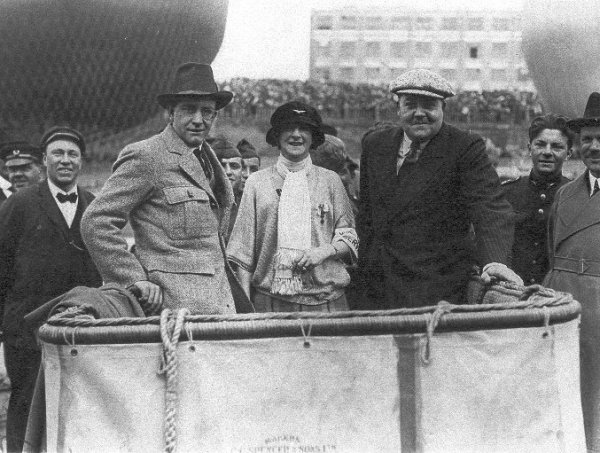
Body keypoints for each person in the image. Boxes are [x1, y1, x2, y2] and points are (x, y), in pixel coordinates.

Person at [81, 63, 252, 315]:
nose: (198, 120)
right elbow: (96, 221)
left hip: (219, 303)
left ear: (215, 116)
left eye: (207, 112)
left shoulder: (207, 157)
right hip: (173, 310)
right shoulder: (147, 156)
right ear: (170, 113)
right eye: (188, 110)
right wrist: (133, 278)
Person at [357, 69, 521, 310]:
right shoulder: (375, 144)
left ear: (443, 108)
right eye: (410, 104)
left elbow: (490, 208)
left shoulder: (464, 148)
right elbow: (367, 214)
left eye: (429, 105)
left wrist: (495, 262)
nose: (419, 113)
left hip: (434, 288)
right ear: (398, 109)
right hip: (376, 285)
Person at [0, 126, 101, 452]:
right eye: (58, 153)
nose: (65, 160)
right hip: (26, 330)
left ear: (81, 162)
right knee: (26, 407)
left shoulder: (94, 206)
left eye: (72, 154)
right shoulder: (20, 204)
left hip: (78, 328)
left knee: (77, 407)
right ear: (45, 160)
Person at [227, 101, 358, 312]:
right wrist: (245, 309)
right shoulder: (257, 183)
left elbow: (349, 237)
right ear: (277, 136)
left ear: (313, 137)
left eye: (304, 129)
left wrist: (324, 251)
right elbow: (243, 255)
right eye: (288, 128)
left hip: (327, 302)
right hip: (270, 302)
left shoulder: (330, 181)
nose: (296, 135)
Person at [545, 92, 600, 452]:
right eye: (587, 140)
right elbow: (555, 249)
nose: (594, 147)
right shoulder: (566, 193)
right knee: (564, 389)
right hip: (564, 300)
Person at [502, 114, 573, 285]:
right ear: (529, 148)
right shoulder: (507, 193)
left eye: (556, 147)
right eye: (540, 144)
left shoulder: (575, 195)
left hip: (557, 295)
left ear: (568, 153)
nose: (547, 152)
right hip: (513, 291)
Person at [210, 137, 244, 240]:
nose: (228, 172)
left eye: (234, 166)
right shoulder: (199, 204)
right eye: (222, 166)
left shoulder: (249, 204)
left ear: (242, 172)